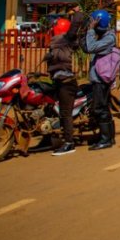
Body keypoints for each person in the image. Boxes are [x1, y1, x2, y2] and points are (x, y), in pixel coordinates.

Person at [44, 18, 78, 156]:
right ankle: (47, 139)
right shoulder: (56, 44)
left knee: (65, 113)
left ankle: (69, 143)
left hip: (66, 82)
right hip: (58, 81)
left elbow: (76, 24)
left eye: (53, 28)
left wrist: (76, 12)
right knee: (49, 109)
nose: (50, 30)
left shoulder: (64, 41)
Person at [85, 10, 118, 150]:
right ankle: (109, 137)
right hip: (99, 79)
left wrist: (90, 30)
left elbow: (90, 47)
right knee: (104, 107)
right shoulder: (104, 36)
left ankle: (105, 139)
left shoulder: (109, 38)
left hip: (101, 80)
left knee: (100, 108)